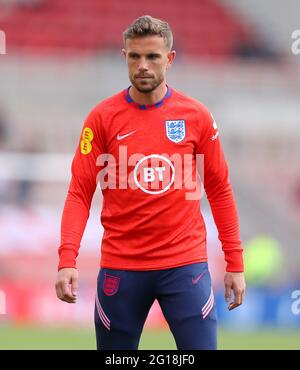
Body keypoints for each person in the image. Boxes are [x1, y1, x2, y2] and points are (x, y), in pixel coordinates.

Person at [55, 15, 246, 350]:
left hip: (185, 267)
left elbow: (219, 189)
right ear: (124, 56)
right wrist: (67, 260)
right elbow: (79, 191)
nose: (142, 65)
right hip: (122, 268)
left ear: (169, 59)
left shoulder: (196, 116)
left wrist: (235, 264)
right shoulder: (101, 119)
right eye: (135, 56)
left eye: (152, 57)